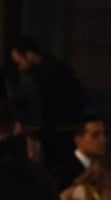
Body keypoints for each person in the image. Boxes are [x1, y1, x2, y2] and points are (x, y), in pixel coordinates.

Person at [9, 36, 86, 169]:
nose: (20, 68)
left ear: (29, 55)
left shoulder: (49, 76)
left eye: (19, 62)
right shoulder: (52, 71)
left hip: (56, 133)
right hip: (56, 131)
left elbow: (46, 106)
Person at [52, 116, 108, 192]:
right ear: (78, 139)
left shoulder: (106, 169)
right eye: (95, 135)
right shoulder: (64, 172)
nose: (103, 140)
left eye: (104, 134)